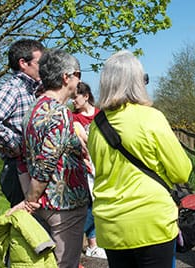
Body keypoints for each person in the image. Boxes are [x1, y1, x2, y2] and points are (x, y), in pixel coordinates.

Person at [87, 50, 192, 268]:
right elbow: (181, 171)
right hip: (151, 221)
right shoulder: (151, 117)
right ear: (136, 82)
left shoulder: (97, 125)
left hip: (111, 223)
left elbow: (99, 168)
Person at [9, 49, 90, 268]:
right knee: (65, 263)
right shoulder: (60, 112)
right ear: (66, 77)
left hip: (41, 204)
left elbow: (22, 159)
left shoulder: (31, 109)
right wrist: (29, 200)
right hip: (64, 205)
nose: (79, 80)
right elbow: (47, 161)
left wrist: (31, 197)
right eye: (78, 74)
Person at [0, 39, 44, 207]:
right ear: (23, 63)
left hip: (30, 167)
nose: (43, 68)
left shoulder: (32, 90)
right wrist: (14, 145)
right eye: (39, 63)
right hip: (16, 170)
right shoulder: (13, 89)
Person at [72, 81, 107, 259]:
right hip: (84, 166)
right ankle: (78, 242)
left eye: (75, 97)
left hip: (101, 164)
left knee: (97, 203)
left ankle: (92, 244)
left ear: (86, 96)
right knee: (89, 204)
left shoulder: (101, 116)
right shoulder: (73, 118)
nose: (73, 101)